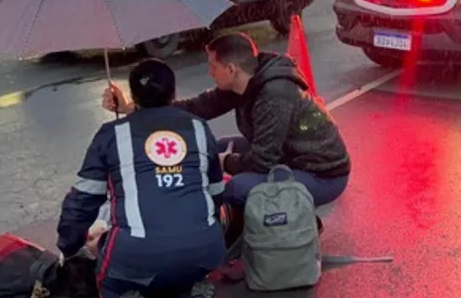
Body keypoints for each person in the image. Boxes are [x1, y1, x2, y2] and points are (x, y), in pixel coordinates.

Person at [102, 32, 351, 213]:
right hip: (289, 156)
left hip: (322, 174)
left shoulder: (274, 95)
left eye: (213, 66)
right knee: (218, 146)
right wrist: (132, 108)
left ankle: (242, 242)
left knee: (238, 187)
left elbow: (263, 162)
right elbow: (195, 108)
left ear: (231, 69)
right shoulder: (244, 83)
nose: (210, 73)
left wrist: (225, 163)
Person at [59, 58, 227, 298]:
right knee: (179, 276)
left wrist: (68, 245)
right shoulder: (199, 128)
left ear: (133, 96)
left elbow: (82, 201)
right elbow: (216, 194)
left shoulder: (112, 134)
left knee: (108, 283)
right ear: (173, 93)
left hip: (136, 256)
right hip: (206, 250)